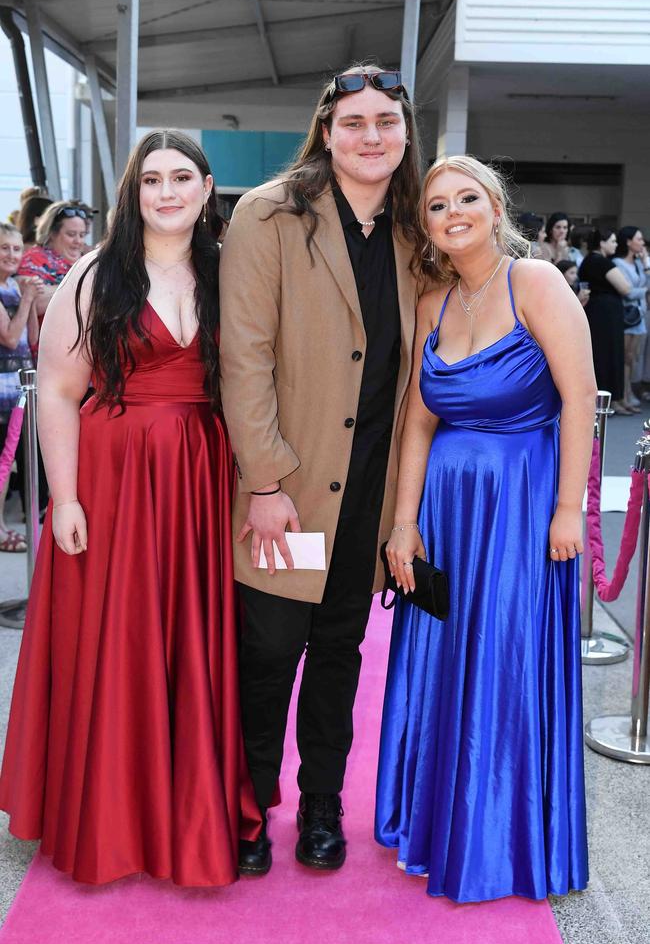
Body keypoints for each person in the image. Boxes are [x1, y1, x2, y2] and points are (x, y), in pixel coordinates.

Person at [0, 129, 261, 886]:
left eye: (183, 177)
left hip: (205, 476)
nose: (168, 192)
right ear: (133, 192)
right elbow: (56, 389)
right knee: (117, 639)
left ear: (208, 189)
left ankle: (187, 810)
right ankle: (110, 814)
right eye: (152, 180)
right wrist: (68, 497)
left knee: (191, 637)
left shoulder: (230, 273)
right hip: (115, 477)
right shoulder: (96, 273)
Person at [375, 154, 594, 903]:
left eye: (468, 198)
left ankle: (499, 837)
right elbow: (417, 422)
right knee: (438, 652)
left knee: (504, 655)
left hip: (521, 507)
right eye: (438, 205)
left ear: (496, 208)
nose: (454, 213)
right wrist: (404, 525)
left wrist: (570, 508)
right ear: (428, 226)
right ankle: (432, 821)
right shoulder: (432, 297)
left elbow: (578, 400)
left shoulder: (534, 283)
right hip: (445, 512)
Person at [219, 64, 421, 875]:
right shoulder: (270, 213)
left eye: (386, 122)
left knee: (341, 653)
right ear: (326, 130)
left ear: (406, 132)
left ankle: (324, 810)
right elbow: (244, 356)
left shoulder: (417, 226)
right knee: (268, 653)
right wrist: (264, 483)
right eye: (355, 122)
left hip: (370, 493)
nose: (371, 137)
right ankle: (247, 807)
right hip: (293, 492)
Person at [0, 223, 41, 552]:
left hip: (20, 389)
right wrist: (28, 298)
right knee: (2, 463)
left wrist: (28, 300)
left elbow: (31, 338)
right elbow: (10, 339)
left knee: (10, 461)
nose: (12, 255)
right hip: (3, 391)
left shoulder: (14, 286)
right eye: (4, 248)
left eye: (16, 249)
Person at [579, 228, 631, 415]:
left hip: (599, 313)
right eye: (612, 241)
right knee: (609, 355)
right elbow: (625, 287)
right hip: (605, 316)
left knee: (602, 355)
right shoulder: (600, 261)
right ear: (601, 242)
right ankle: (612, 399)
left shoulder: (588, 260)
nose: (616, 245)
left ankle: (611, 399)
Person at [17, 201, 87, 322]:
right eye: (71, 234)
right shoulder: (33, 258)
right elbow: (35, 303)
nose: (78, 241)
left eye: (82, 235)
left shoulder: (83, 262)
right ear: (51, 234)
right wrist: (80, 285)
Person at [613, 226, 650, 412]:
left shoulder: (637, 263)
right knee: (625, 357)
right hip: (627, 316)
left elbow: (644, 283)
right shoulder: (618, 263)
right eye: (639, 239)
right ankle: (623, 395)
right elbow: (628, 292)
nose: (642, 243)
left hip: (638, 316)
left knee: (631, 358)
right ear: (628, 241)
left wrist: (645, 263)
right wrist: (644, 291)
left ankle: (628, 394)